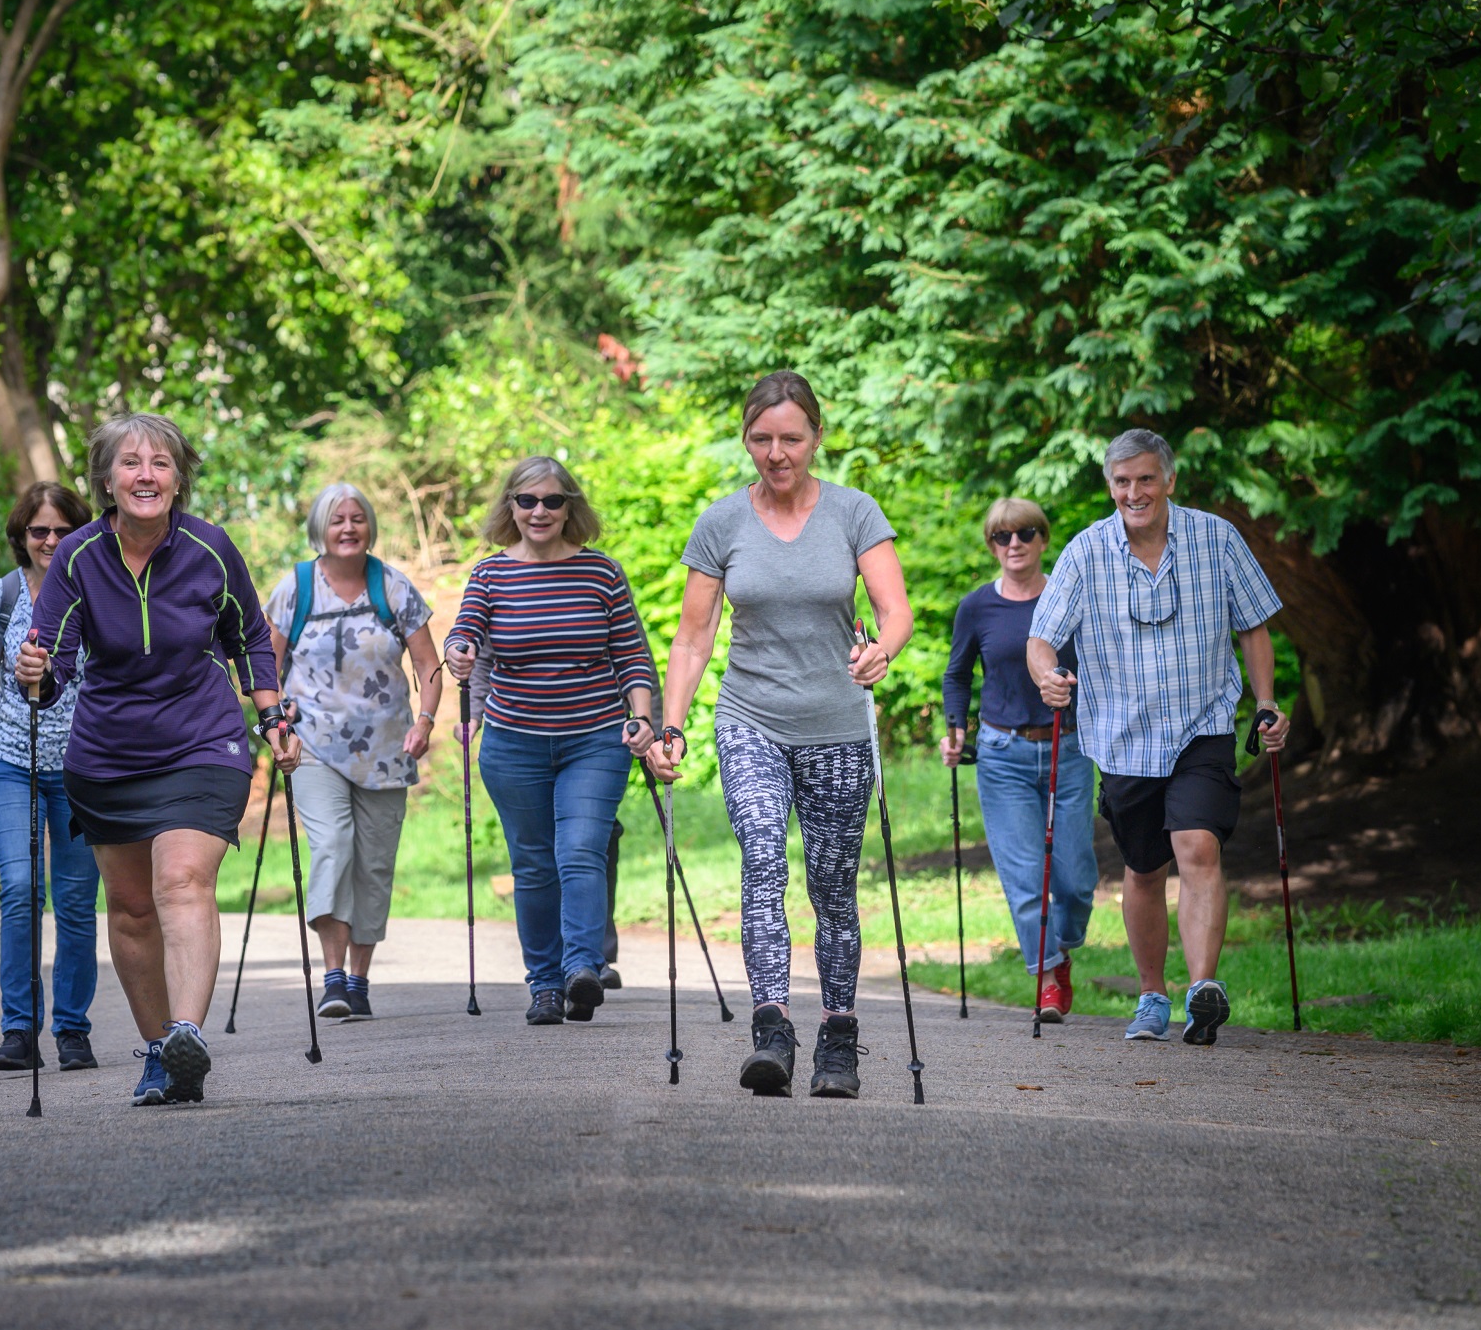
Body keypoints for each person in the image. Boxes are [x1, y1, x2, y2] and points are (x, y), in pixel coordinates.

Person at [16, 413, 299, 1107]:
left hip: (203, 738)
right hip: (109, 752)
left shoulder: (210, 548)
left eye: (161, 463)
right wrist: (34, 672)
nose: (147, 474)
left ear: (179, 477)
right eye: (132, 463)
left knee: (180, 881)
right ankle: (158, 1054)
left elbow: (250, 637)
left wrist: (271, 714)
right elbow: (49, 661)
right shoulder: (78, 555)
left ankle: (187, 1032)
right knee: (134, 909)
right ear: (107, 480)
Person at [653, 371, 914, 1100]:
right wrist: (672, 724)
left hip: (837, 725)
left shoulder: (855, 513)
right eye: (762, 438)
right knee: (762, 855)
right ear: (747, 440)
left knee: (833, 886)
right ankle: (772, 1031)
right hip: (750, 720)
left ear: (816, 437)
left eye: (791, 437)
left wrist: (882, 650)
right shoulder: (722, 523)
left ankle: (839, 1037)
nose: (776, 452)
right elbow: (692, 637)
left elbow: (896, 610)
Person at [1028, 427, 1288, 1046]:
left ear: (1169, 480)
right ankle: (1152, 996)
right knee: (1144, 868)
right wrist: (1047, 676)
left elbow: (1253, 628)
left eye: (1146, 479)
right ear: (1110, 487)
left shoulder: (1217, 539)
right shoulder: (1086, 552)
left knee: (1198, 846)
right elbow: (1041, 637)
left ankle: (1202, 989)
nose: (1134, 492)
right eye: (1122, 482)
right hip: (1122, 737)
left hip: (1202, 724)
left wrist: (1267, 701)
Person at [444, 456, 658, 1026]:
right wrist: (458, 651)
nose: (539, 511)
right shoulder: (491, 575)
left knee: (581, 849)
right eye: (527, 501)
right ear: (510, 508)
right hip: (515, 743)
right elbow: (465, 633)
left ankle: (582, 968)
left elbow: (632, 655)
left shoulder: (601, 573)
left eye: (553, 501)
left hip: (594, 738)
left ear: (571, 508)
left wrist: (643, 720)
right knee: (534, 865)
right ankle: (543, 984)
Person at [0, 482, 100, 1073]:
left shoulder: (95, 589)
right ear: (22, 537)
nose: (50, 541)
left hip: (84, 766)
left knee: (78, 900)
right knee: (22, 888)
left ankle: (73, 1031)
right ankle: (18, 1029)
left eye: (61, 530)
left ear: (79, 533)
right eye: (39, 531)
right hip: (11, 762)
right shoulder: (3, 594)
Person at [265, 483, 442, 1021]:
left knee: (374, 865)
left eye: (357, 518)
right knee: (333, 845)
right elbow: (265, 669)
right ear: (320, 528)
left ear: (370, 527)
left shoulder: (393, 587)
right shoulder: (295, 589)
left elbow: (429, 667)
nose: (348, 528)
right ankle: (333, 975)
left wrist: (426, 720)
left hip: (388, 747)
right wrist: (273, 724)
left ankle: (359, 980)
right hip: (314, 744)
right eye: (337, 519)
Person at [941, 498, 1096, 1022]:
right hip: (1002, 753)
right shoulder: (977, 607)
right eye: (1001, 537)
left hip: (1069, 747)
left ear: (1042, 539)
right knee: (1026, 876)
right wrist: (956, 727)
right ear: (991, 544)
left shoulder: (1070, 598)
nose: (1013, 545)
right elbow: (957, 674)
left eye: (1024, 534)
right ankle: (1048, 978)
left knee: (1075, 877)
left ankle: (1063, 945)